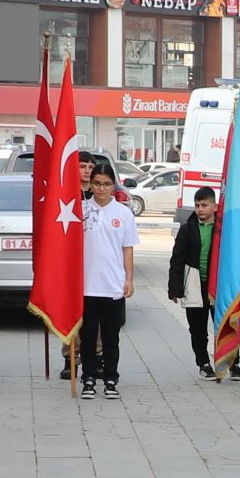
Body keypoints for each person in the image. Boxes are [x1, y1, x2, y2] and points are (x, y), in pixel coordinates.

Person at [75, 162, 137, 395]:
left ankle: (111, 378)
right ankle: (88, 378)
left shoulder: (123, 213)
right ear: (90, 184)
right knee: (88, 337)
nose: (102, 188)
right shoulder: (80, 210)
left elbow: (127, 249)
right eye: (97, 183)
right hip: (86, 286)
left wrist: (128, 279)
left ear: (113, 186)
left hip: (113, 285)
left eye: (107, 184)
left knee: (111, 338)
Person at [166, 186, 225, 381]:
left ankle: (232, 361)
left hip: (217, 285)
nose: (200, 209)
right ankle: (203, 363)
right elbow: (177, 259)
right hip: (194, 284)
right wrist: (175, 288)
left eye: (204, 205)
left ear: (215, 206)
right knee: (197, 328)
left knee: (223, 325)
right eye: (197, 205)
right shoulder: (187, 229)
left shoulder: (222, 229)